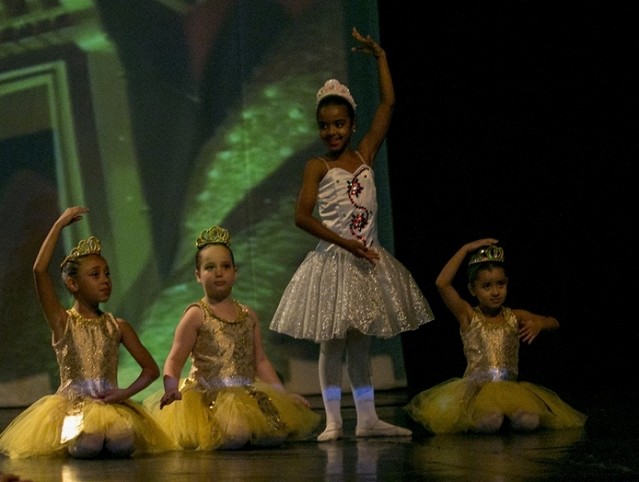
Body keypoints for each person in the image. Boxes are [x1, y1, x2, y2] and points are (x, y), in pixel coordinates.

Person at [269, 27, 435, 442]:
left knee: (360, 343)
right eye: (325, 126)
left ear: (352, 123)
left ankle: (367, 418)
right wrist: (345, 243)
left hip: (368, 261)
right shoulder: (317, 167)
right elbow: (301, 217)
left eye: (339, 124)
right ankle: (333, 420)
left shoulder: (365, 154)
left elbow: (390, 103)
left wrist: (380, 56)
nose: (332, 133)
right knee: (333, 343)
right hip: (335, 261)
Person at [0, 206, 175, 459]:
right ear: (73, 284)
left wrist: (122, 394)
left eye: (107, 274)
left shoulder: (117, 326)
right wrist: (58, 224)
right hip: (72, 406)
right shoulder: (63, 322)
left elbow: (150, 370)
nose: (105, 280)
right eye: (95, 275)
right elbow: (39, 270)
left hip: (108, 405)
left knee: (122, 442)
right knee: (89, 442)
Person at [144, 225, 320, 450]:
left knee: (274, 433)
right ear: (198, 275)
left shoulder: (248, 315)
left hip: (247, 391)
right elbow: (175, 358)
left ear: (235, 272)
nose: (219, 272)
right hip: (208, 395)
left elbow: (261, 361)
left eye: (225, 266)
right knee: (237, 434)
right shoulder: (196, 315)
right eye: (210, 267)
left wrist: (282, 396)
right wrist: (171, 387)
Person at [404, 239, 588, 434]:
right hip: (477, 391)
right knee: (491, 421)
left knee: (530, 422)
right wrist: (465, 249)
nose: (495, 292)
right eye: (486, 286)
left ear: (506, 283)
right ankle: (485, 418)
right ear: (472, 289)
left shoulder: (514, 316)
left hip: (511, 389)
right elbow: (442, 283)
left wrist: (540, 324)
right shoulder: (468, 316)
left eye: (500, 284)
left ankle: (508, 417)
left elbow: (554, 322)